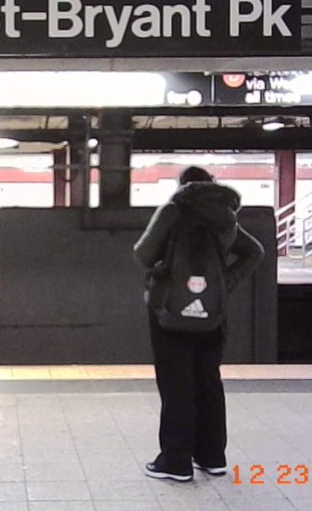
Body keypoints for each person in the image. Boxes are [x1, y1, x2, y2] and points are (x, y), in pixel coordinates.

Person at [133, 166, 264, 482]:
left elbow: (143, 253)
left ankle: (175, 461)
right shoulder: (226, 217)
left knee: (176, 384)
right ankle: (212, 457)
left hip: (169, 312)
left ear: (183, 186)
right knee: (208, 380)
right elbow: (255, 252)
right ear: (211, 185)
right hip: (213, 312)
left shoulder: (173, 211)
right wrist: (224, 283)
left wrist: (166, 270)